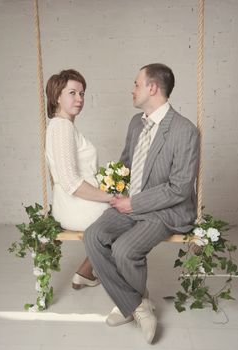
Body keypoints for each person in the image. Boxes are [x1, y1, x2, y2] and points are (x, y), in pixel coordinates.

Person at [84, 63, 199, 344]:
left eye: (136, 84)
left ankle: (128, 306)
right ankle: (136, 305)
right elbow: (126, 163)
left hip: (165, 209)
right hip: (130, 202)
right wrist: (113, 190)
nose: (131, 89)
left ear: (152, 88)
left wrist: (134, 204)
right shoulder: (137, 123)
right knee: (93, 236)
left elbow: (180, 188)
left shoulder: (185, 131)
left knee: (124, 249)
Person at [45, 69, 113, 290]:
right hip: (76, 206)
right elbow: (71, 182)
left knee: (127, 209)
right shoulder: (62, 127)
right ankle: (111, 278)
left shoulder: (64, 126)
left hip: (75, 203)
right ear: (57, 96)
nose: (79, 99)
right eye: (72, 93)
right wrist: (109, 197)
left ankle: (86, 272)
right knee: (129, 216)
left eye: (82, 93)